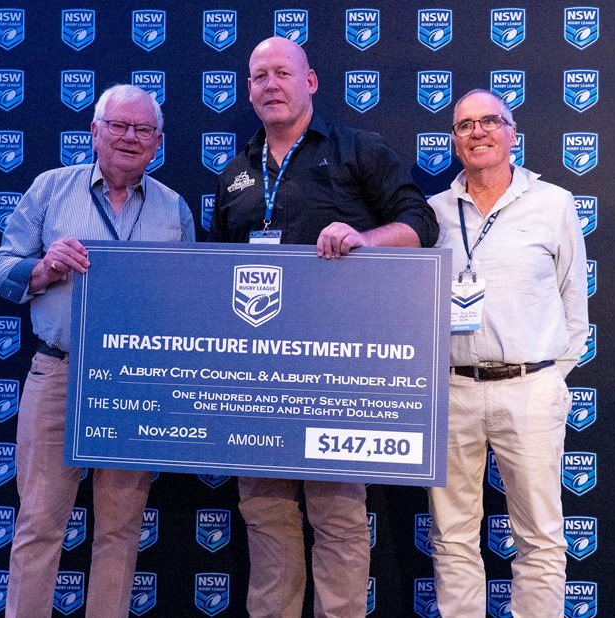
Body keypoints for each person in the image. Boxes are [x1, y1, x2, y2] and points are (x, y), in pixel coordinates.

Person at [209, 37, 438, 617]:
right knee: (265, 514)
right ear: (248, 90)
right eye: (259, 76)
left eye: (282, 73)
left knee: (337, 517)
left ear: (309, 82)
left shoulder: (358, 149)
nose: (270, 84)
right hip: (256, 380)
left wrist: (365, 239)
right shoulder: (234, 173)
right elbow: (216, 272)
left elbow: (420, 224)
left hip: (337, 373)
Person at [0, 84, 195, 618]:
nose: (130, 137)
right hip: (60, 372)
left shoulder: (174, 209)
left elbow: (189, 301)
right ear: (94, 132)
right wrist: (42, 269)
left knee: (121, 530)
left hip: (136, 384)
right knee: (38, 522)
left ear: (158, 143)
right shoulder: (51, 189)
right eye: (118, 126)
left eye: (143, 129)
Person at [427, 89, 588, 617]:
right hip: (452, 390)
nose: (478, 132)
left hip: (530, 387)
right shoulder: (433, 213)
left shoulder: (553, 203)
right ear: (454, 141)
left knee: (539, 537)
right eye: (465, 125)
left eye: (490, 121)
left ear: (512, 133)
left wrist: (547, 377)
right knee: (452, 537)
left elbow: (574, 304)